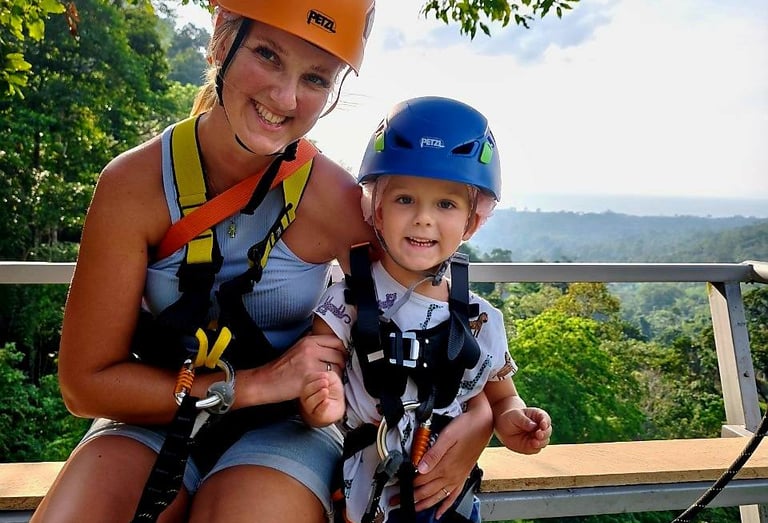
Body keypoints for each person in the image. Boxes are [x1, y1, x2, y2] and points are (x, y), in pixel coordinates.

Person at [31, 3, 497, 523]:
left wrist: (482, 414)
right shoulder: (133, 188)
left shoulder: (334, 203)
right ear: (221, 41)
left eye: (316, 77)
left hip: (290, 426)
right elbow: (84, 383)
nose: (285, 97)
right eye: (267, 54)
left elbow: (431, 308)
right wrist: (252, 385)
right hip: (154, 409)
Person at [301, 96, 553, 523]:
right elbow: (316, 376)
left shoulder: (480, 319)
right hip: (364, 500)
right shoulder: (345, 302)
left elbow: (500, 393)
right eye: (404, 200)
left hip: (447, 502)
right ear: (375, 208)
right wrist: (316, 402)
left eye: (446, 204)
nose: (423, 219)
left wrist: (513, 420)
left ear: (473, 221)